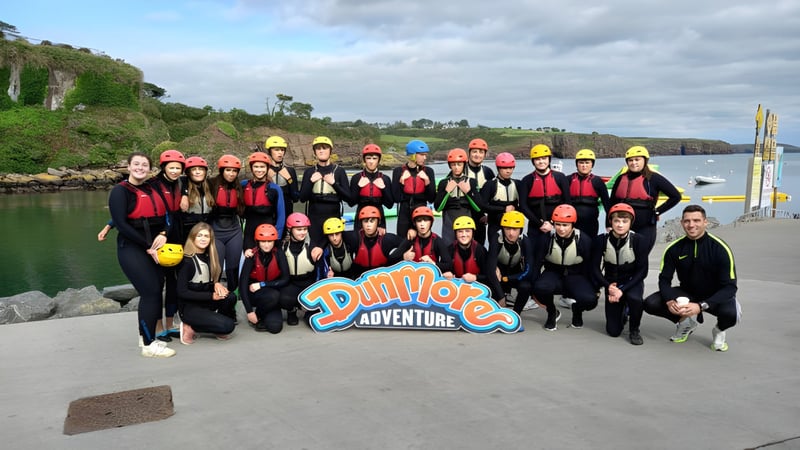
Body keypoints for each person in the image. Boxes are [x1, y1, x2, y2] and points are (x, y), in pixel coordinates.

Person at [644, 204, 740, 351]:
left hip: (715, 295)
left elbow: (730, 287)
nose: (691, 225)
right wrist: (670, 301)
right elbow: (664, 280)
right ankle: (685, 323)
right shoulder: (673, 249)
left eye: (696, 220)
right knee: (651, 303)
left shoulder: (720, 248)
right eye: (687, 221)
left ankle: (719, 331)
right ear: (682, 223)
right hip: (688, 293)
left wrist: (701, 306)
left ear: (705, 222)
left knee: (731, 315)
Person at [108, 152, 175, 357]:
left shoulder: (152, 187)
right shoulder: (120, 192)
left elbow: (168, 215)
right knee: (151, 292)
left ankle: (143, 337)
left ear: (149, 168)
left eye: (144, 165)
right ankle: (148, 345)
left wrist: (164, 233)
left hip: (154, 246)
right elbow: (121, 224)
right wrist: (148, 246)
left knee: (156, 289)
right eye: (136, 164)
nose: (140, 168)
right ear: (128, 166)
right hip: (132, 247)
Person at [531, 204, 597, 331]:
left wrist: (595, 288)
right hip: (552, 272)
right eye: (558, 224)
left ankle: (577, 310)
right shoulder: (546, 239)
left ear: (573, 224)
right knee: (539, 288)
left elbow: (590, 266)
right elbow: (537, 264)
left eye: (565, 225)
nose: (561, 229)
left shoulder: (584, 240)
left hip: (575, 275)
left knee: (590, 300)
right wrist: (533, 288)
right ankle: (552, 312)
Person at [590, 203, 649, 345]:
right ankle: (622, 311)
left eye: (624, 221)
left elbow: (643, 271)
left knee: (635, 299)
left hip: (631, 281)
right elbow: (594, 268)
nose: (620, 225)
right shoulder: (601, 240)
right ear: (611, 221)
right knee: (613, 331)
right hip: (611, 282)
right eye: (616, 221)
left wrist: (621, 290)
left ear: (631, 222)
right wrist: (608, 286)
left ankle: (634, 329)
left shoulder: (639, 240)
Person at [609, 146, 682, 252]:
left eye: (637, 160)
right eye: (630, 160)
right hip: (622, 226)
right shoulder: (621, 178)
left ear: (645, 160)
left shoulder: (654, 178)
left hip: (645, 226)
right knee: (621, 258)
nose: (634, 163)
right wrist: (609, 224)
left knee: (641, 257)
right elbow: (612, 202)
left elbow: (676, 196)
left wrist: (657, 212)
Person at [176, 222, 237, 344]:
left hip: (206, 304)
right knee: (228, 326)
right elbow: (182, 292)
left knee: (230, 297)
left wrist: (216, 283)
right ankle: (189, 326)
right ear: (193, 237)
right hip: (190, 308)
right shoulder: (187, 261)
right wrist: (211, 296)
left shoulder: (210, 256)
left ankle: (212, 324)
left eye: (206, 236)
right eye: (199, 235)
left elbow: (206, 281)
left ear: (211, 239)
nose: (203, 239)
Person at [150, 149, 187, 341]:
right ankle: (157, 326)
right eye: (171, 167)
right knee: (157, 283)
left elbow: (192, 183)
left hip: (177, 236)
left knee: (174, 282)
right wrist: (110, 224)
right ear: (163, 167)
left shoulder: (180, 183)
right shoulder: (152, 185)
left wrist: (186, 193)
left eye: (178, 168)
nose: (174, 171)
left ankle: (171, 322)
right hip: (159, 236)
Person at [299, 136, 352, 246]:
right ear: (314, 152)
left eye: (324, 148)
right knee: (315, 250)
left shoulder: (339, 171)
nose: (321, 151)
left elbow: (349, 198)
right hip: (314, 219)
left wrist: (334, 184)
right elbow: (303, 198)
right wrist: (311, 181)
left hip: (333, 218)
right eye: (318, 149)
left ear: (330, 151)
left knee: (333, 251)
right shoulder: (309, 172)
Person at [239, 223, 291, 334]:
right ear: (257, 242)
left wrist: (262, 284)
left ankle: (261, 313)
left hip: (273, 294)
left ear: (274, 241)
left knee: (275, 328)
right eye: (263, 241)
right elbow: (242, 285)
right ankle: (257, 313)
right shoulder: (251, 256)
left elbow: (286, 279)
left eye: (269, 241)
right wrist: (249, 311)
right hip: (255, 295)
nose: (266, 245)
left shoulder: (279, 254)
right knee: (273, 296)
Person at [208, 154, 244, 301]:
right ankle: (215, 301)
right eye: (228, 170)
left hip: (234, 230)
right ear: (222, 170)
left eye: (234, 171)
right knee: (215, 269)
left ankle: (231, 304)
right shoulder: (210, 184)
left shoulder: (239, 186)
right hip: (216, 230)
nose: (231, 173)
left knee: (232, 269)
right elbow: (189, 182)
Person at [442, 216, 502, 302]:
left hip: (476, 289)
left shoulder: (480, 250)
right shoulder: (450, 249)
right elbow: (442, 271)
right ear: (455, 234)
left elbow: (488, 276)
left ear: (473, 233)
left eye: (467, 231)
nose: (464, 235)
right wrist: (446, 274)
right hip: (455, 290)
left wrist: (475, 277)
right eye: (460, 232)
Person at [486, 211, 535, 313]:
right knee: (491, 280)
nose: (511, 233)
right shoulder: (497, 238)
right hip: (499, 274)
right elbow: (490, 267)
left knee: (526, 286)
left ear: (520, 230)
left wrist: (507, 279)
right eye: (507, 229)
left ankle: (516, 314)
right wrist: (500, 297)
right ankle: (498, 306)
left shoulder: (525, 242)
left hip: (515, 274)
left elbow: (528, 271)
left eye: (515, 229)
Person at [520, 144, 571, 237]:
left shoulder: (560, 177)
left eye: (544, 158)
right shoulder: (526, 180)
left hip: (558, 226)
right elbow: (523, 206)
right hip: (535, 226)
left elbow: (567, 202)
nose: (541, 162)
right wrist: (540, 224)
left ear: (549, 159)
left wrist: (553, 223)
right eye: (537, 159)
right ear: (533, 161)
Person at [280, 212, 321, 326]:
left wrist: (321, 249)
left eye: (305, 229)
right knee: (284, 298)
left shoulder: (312, 245)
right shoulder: (283, 246)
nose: (303, 232)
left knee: (314, 317)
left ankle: (305, 307)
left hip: (308, 283)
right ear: (290, 229)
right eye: (299, 229)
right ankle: (292, 311)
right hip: (291, 283)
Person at [435, 148, 483, 243]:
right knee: (449, 247)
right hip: (449, 221)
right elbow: (438, 208)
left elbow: (479, 208)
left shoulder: (471, 182)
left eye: (459, 164)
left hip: (466, 219)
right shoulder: (444, 183)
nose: (456, 167)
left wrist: (467, 192)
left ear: (464, 165)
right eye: (453, 165)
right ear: (450, 166)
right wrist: (447, 191)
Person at [392, 139, 436, 239]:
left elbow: (431, 198)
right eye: (422, 155)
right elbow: (396, 198)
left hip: (422, 213)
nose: (425, 158)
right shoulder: (398, 171)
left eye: (425, 155)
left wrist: (427, 181)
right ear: (413, 155)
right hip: (404, 213)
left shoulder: (428, 171)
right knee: (402, 243)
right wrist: (402, 181)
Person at [242, 151, 285, 249]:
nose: (259, 170)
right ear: (252, 168)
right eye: (256, 167)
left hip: (268, 233)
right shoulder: (244, 185)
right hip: (249, 232)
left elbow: (281, 215)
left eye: (262, 167)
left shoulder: (275, 189)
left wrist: (277, 236)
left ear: (267, 168)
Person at [349, 144, 394, 232]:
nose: (371, 161)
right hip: (360, 218)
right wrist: (359, 187)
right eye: (368, 158)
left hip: (379, 218)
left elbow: (390, 205)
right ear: (364, 160)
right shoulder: (356, 178)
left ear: (379, 160)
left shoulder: (385, 179)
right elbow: (351, 203)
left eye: (374, 158)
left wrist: (383, 188)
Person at [481, 152, 523, 243]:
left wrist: (516, 209)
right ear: (498, 168)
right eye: (504, 168)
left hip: (514, 226)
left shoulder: (518, 184)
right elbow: (482, 206)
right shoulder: (490, 185)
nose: (508, 171)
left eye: (511, 168)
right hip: (495, 225)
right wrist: (503, 209)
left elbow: (524, 205)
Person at [568, 149, 610, 238]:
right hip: (571, 223)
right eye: (581, 163)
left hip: (591, 223)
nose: (584, 166)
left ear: (592, 165)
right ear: (577, 164)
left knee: (590, 248)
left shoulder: (598, 181)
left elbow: (607, 204)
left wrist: (608, 224)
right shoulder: (568, 179)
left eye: (587, 163)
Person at [395, 206, 452, 273]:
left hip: (431, 279)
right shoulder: (410, 239)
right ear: (415, 223)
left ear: (431, 223)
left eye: (426, 220)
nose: (422, 224)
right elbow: (391, 260)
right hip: (413, 279)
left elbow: (449, 265)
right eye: (419, 221)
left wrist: (433, 264)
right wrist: (403, 257)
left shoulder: (437, 240)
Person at [348, 206, 403, 273]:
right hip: (360, 280)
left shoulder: (387, 239)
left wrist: (404, 256)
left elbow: (407, 243)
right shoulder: (355, 238)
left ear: (378, 222)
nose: (368, 225)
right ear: (361, 223)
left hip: (381, 279)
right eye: (365, 221)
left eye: (372, 221)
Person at [465, 138, 496, 246]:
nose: (477, 155)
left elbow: (493, 197)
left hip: (481, 219)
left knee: (479, 249)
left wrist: (489, 215)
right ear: (469, 153)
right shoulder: (461, 169)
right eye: (474, 152)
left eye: (481, 152)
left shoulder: (488, 172)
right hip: (464, 216)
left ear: (485, 154)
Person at [264, 135, 299, 223]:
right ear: (269, 151)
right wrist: (267, 178)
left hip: (286, 211)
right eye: (276, 150)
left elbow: (295, 197)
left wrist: (289, 179)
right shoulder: (264, 170)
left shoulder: (290, 170)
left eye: (282, 150)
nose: (280, 153)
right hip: (269, 213)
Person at [179, 156, 214, 242]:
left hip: (205, 231)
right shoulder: (180, 184)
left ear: (205, 172)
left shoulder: (210, 185)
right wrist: (184, 193)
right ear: (188, 173)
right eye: (194, 169)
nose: (197, 172)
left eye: (201, 169)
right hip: (187, 231)